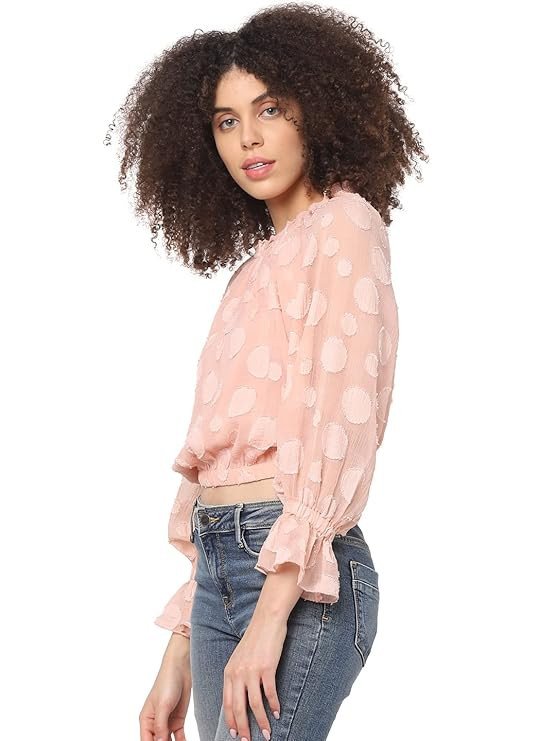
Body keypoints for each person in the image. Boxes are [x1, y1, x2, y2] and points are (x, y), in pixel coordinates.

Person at [107, 5, 427, 740]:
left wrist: (273, 610)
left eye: (270, 109)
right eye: (227, 121)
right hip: (221, 575)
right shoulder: (251, 274)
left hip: (299, 580)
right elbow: (216, 466)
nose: (248, 137)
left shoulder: (345, 226)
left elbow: (341, 420)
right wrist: (179, 647)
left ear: (317, 110)